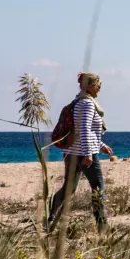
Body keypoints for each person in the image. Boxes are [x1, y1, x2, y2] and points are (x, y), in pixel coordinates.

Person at [49, 72, 113, 232]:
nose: (100, 87)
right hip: (83, 153)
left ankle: (50, 218)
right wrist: (88, 154)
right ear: (91, 86)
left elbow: (87, 131)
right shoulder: (87, 104)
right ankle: (102, 227)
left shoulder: (79, 101)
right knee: (98, 188)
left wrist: (101, 145)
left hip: (73, 152)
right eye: (99, 84)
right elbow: (84, 129)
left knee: (69, 188)